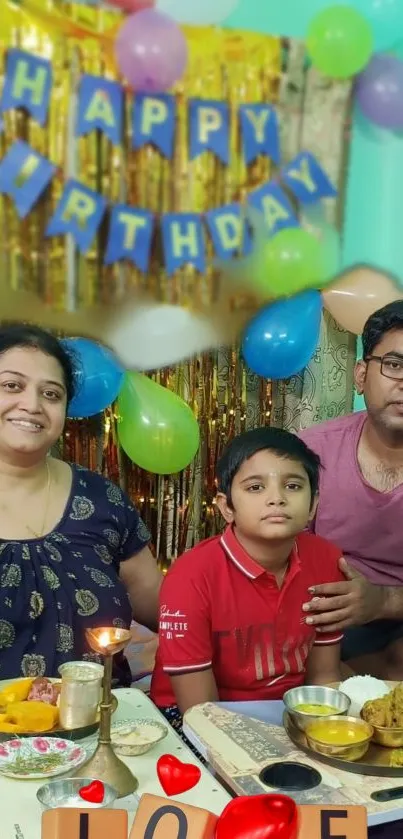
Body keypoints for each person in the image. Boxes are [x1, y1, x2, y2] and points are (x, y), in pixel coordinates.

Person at [150, 426, 344, 727]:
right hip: (197, 714)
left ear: (313, 505)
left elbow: (324, 678)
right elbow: (201, 714)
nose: (276, 498)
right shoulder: (189, 577)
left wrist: (322, 736)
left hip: (292, 710)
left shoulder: (327, 560)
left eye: (293, 486)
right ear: (226, 507)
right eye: (255, 488)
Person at [0, 323, 162, 682]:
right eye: (12, 385)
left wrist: (296, 612)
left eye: (52, 394)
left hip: (101, 727)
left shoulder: (100, 498)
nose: (32, 405)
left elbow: (168, 611)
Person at [300, 301, 403, 679]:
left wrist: (383, 600)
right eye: (394, 364)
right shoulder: (310, 453)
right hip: (324, 618)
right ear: (361, 375)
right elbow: (276, 557)